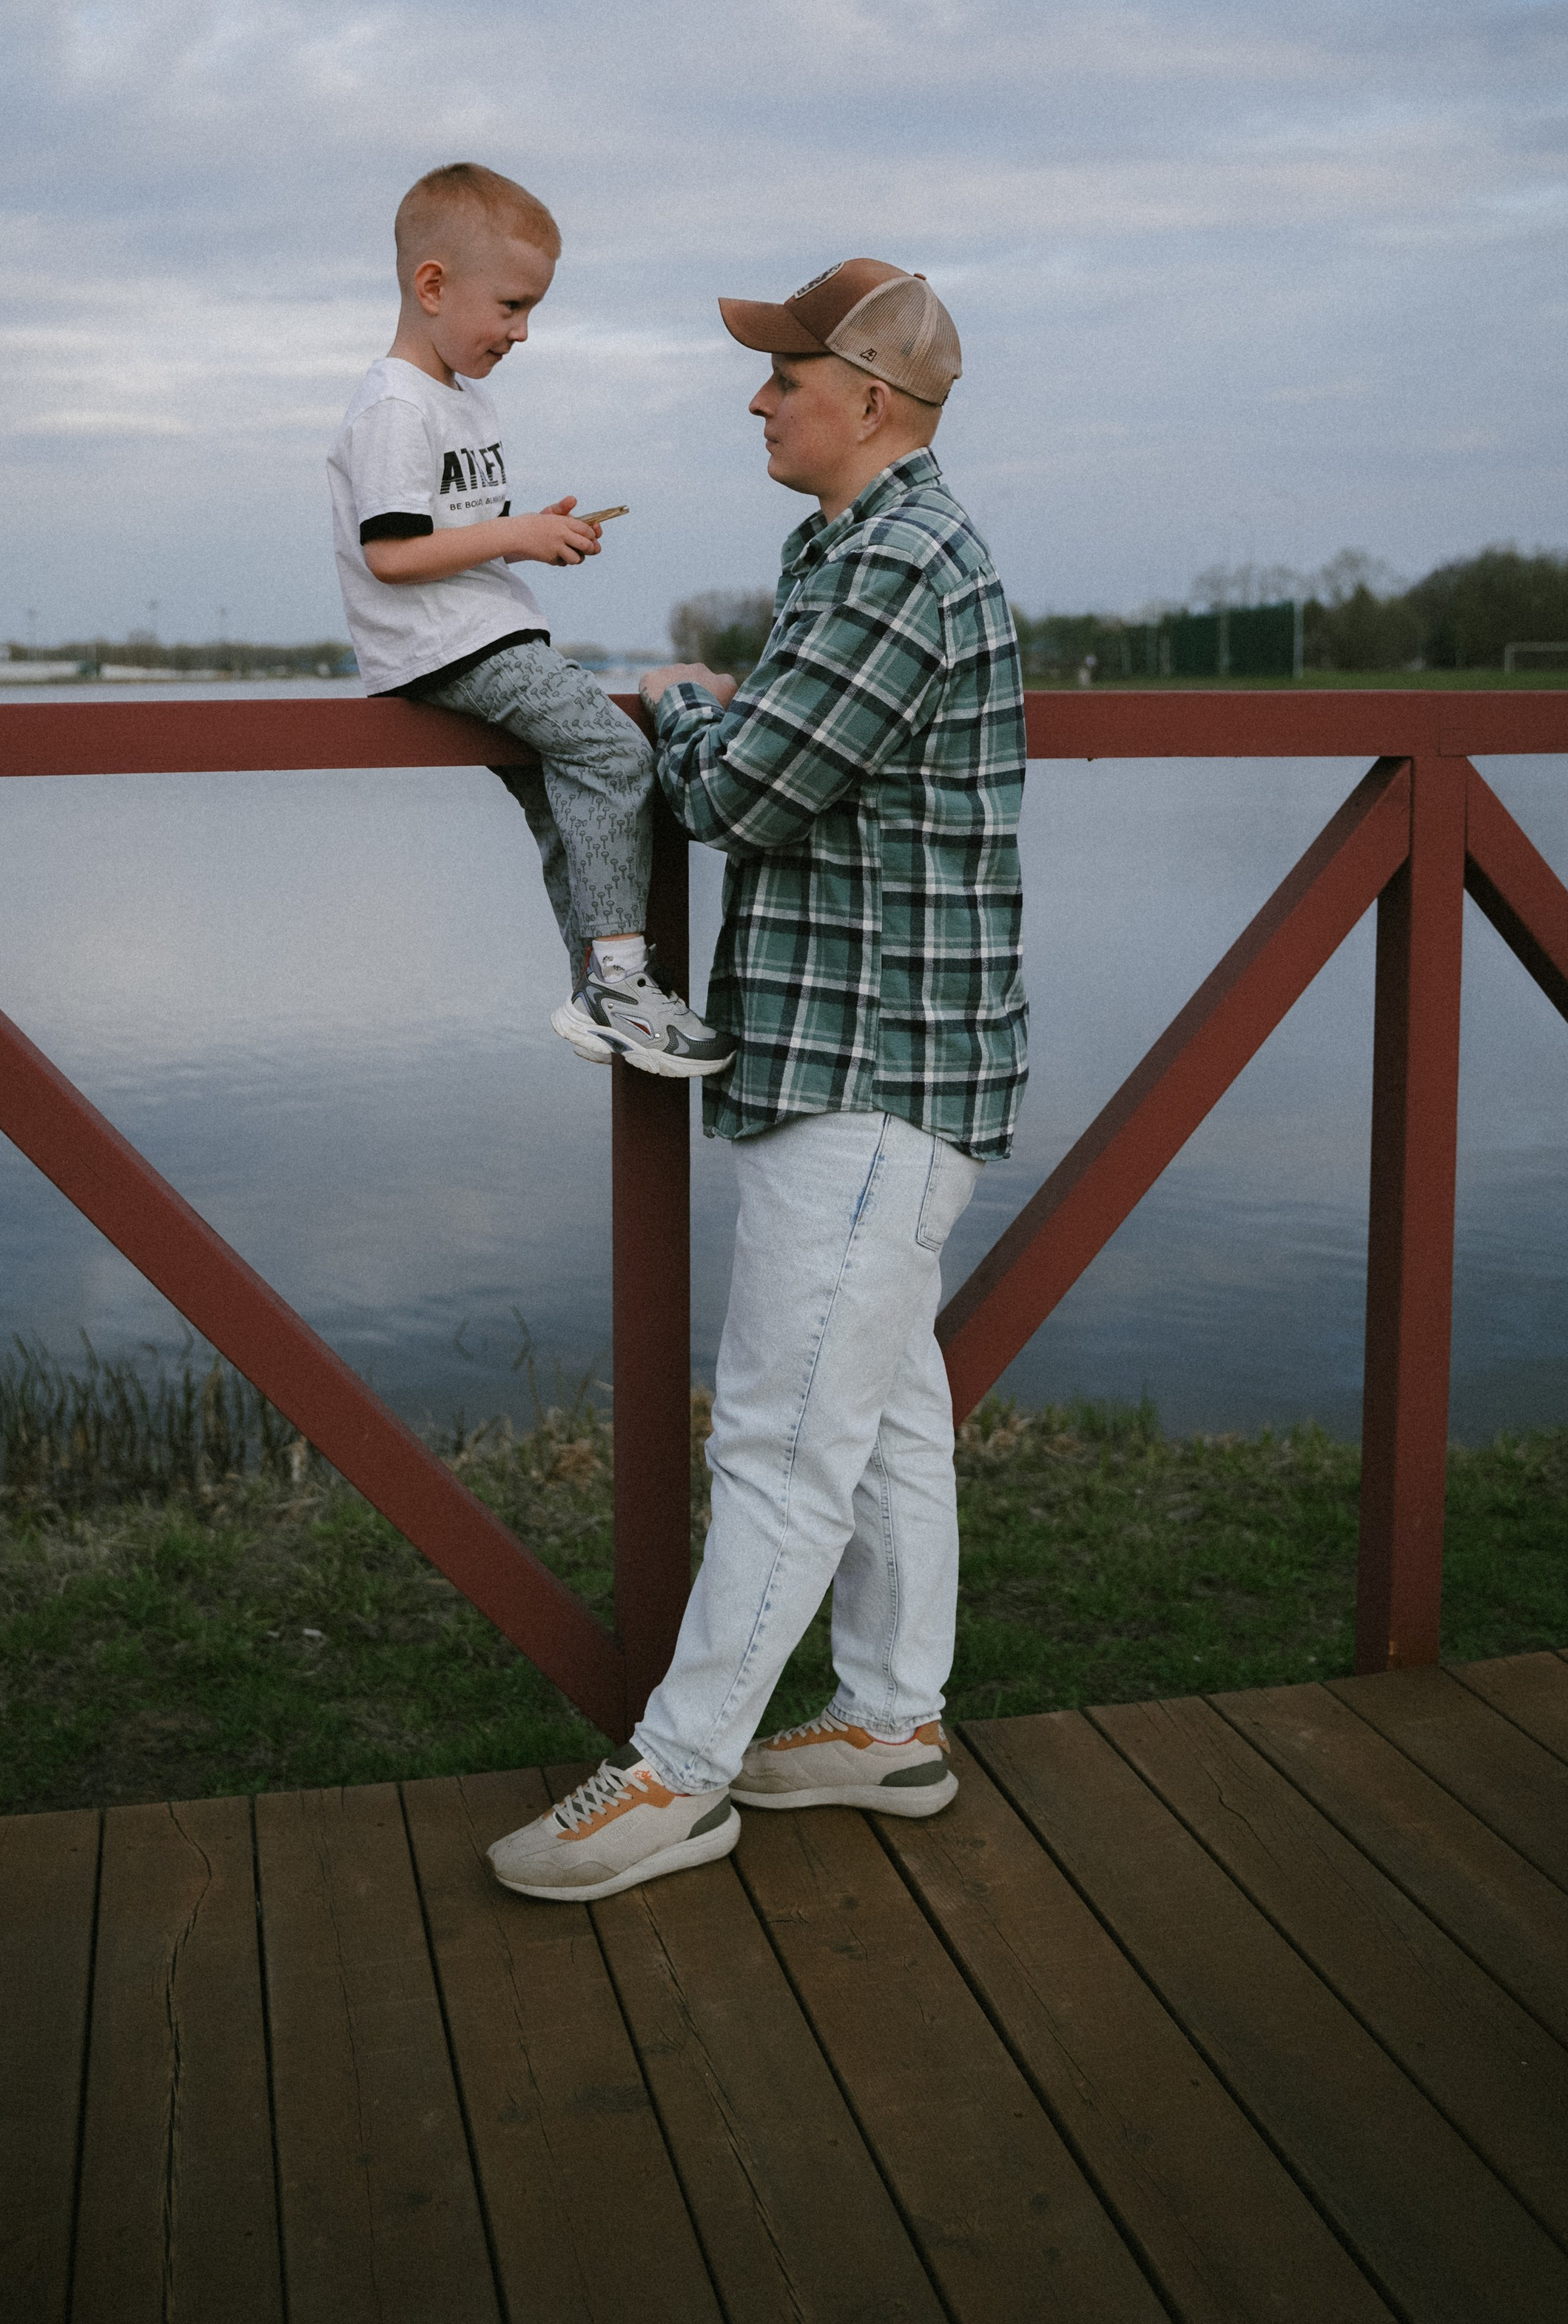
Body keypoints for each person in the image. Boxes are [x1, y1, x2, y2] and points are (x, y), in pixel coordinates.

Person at [488, 258, 1027, 1903]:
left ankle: (680, 1771)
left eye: (783, 376)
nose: (757, 397)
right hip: (870, 1055)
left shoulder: (899, 563)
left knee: (784, 1439)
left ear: (868, 397)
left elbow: (745, 795)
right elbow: (788, 754)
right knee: (887, 1415)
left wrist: (670, 716)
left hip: (871, 1064)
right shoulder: (850, 551)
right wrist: (721, 717)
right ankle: (887, 1723)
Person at [327, 163, 732, 1080]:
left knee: (566, 798)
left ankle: (601, 992)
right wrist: (513, 533)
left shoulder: (462, 399)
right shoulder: (395, 404)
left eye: (530, 310)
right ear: (433, 285)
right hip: (445, 644)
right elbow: (390, 553)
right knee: (614, 753)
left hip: (481, 629)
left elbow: (449, 537)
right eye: (510, 306)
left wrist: (530, 536)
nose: (521, 332)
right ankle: (621, 985)